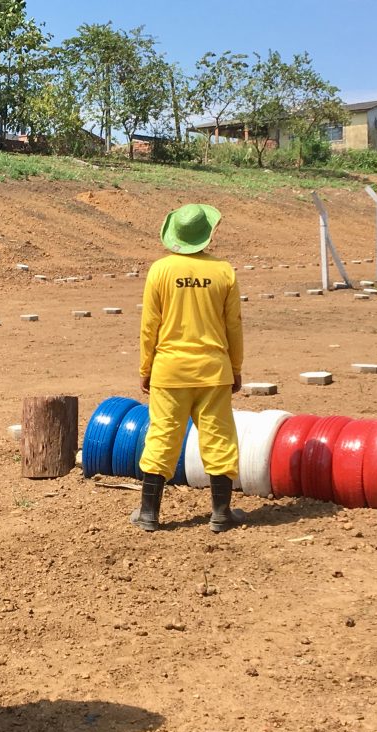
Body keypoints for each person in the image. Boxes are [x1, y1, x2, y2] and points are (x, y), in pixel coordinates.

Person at [131, 202, 246, 534]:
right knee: (219, 439)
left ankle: (149, 514)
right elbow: (233, 326)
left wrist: (146, 367)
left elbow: (149, 325)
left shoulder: (160, 271)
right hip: (214, 371)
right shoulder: (224, 271)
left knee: (163, 438)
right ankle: (221, 513)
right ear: (207, 235)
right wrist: (235, 368)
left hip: (169, 371)